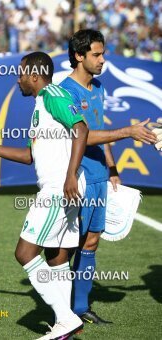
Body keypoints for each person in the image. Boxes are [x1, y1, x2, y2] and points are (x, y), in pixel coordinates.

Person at [0, 52, 89, 339]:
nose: (18, 78)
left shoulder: (52, 94)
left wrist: (70, 175)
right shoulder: (40, 104)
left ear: (35, 76)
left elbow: (81, 128)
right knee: (58, 257)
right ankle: (65, 323)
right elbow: (28, 156)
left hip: (60, 188)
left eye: (21, 73)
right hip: (64, 187)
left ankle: (66, 319)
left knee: (24, 253)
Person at [59, 29, 158, 325]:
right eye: (97, 55)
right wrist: (129, 131)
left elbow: (100, 132)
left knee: (91, 243)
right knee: (67, 244)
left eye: (103, 54)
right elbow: (82, 136)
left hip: (100, 177)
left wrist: (112, 169)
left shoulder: (99, 87)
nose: (103, 60)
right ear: (79, 56)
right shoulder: (65, 91)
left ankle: (81, 307)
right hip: (78, 178)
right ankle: (61, 308)